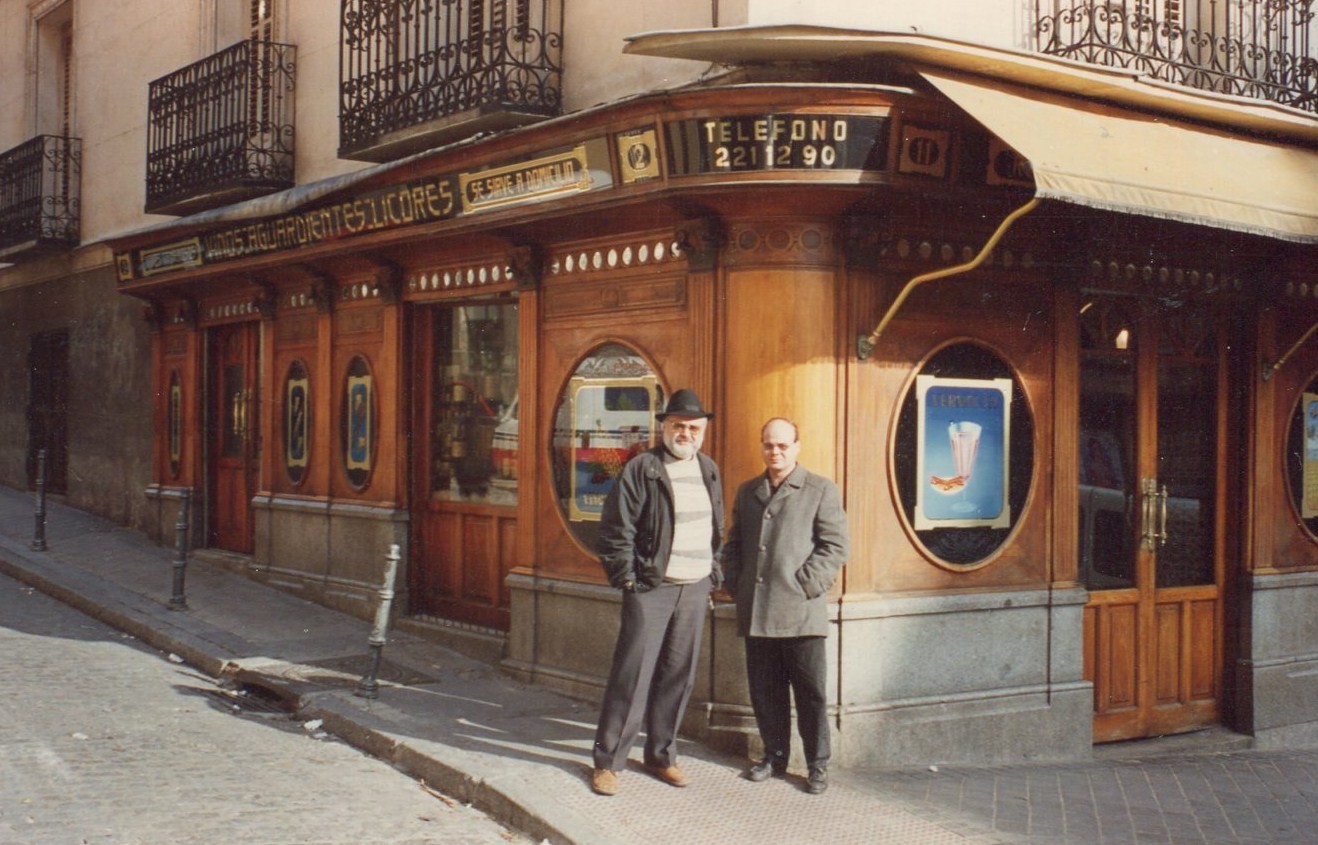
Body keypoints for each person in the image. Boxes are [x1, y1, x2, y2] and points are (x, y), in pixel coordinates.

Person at [590, 388, 724, 796]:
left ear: (703, 431)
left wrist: (712, 575)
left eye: (694, 427)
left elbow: (716, 528)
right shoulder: (642, 468)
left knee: (677, 677)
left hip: (694, 586)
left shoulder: (709, 469)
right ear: (664, 427)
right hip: (653, 588)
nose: (686, 433)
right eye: (678, 426)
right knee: (633, 674)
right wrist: (629, 580)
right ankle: (609, 762)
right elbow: (616, 529)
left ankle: (661, 756)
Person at [722, 417, 849, 795]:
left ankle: (817, 766)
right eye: (768, 445)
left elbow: (835, 546)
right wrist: (737, 584)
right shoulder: (748, 491)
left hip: (801, 614)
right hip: (758, 613)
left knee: (810, 695)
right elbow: (735, 545)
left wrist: (804, 585)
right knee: (766, 691)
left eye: (782, 445)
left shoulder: (820, 489)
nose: (774, 452)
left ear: (797, 446)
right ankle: (774, 757)